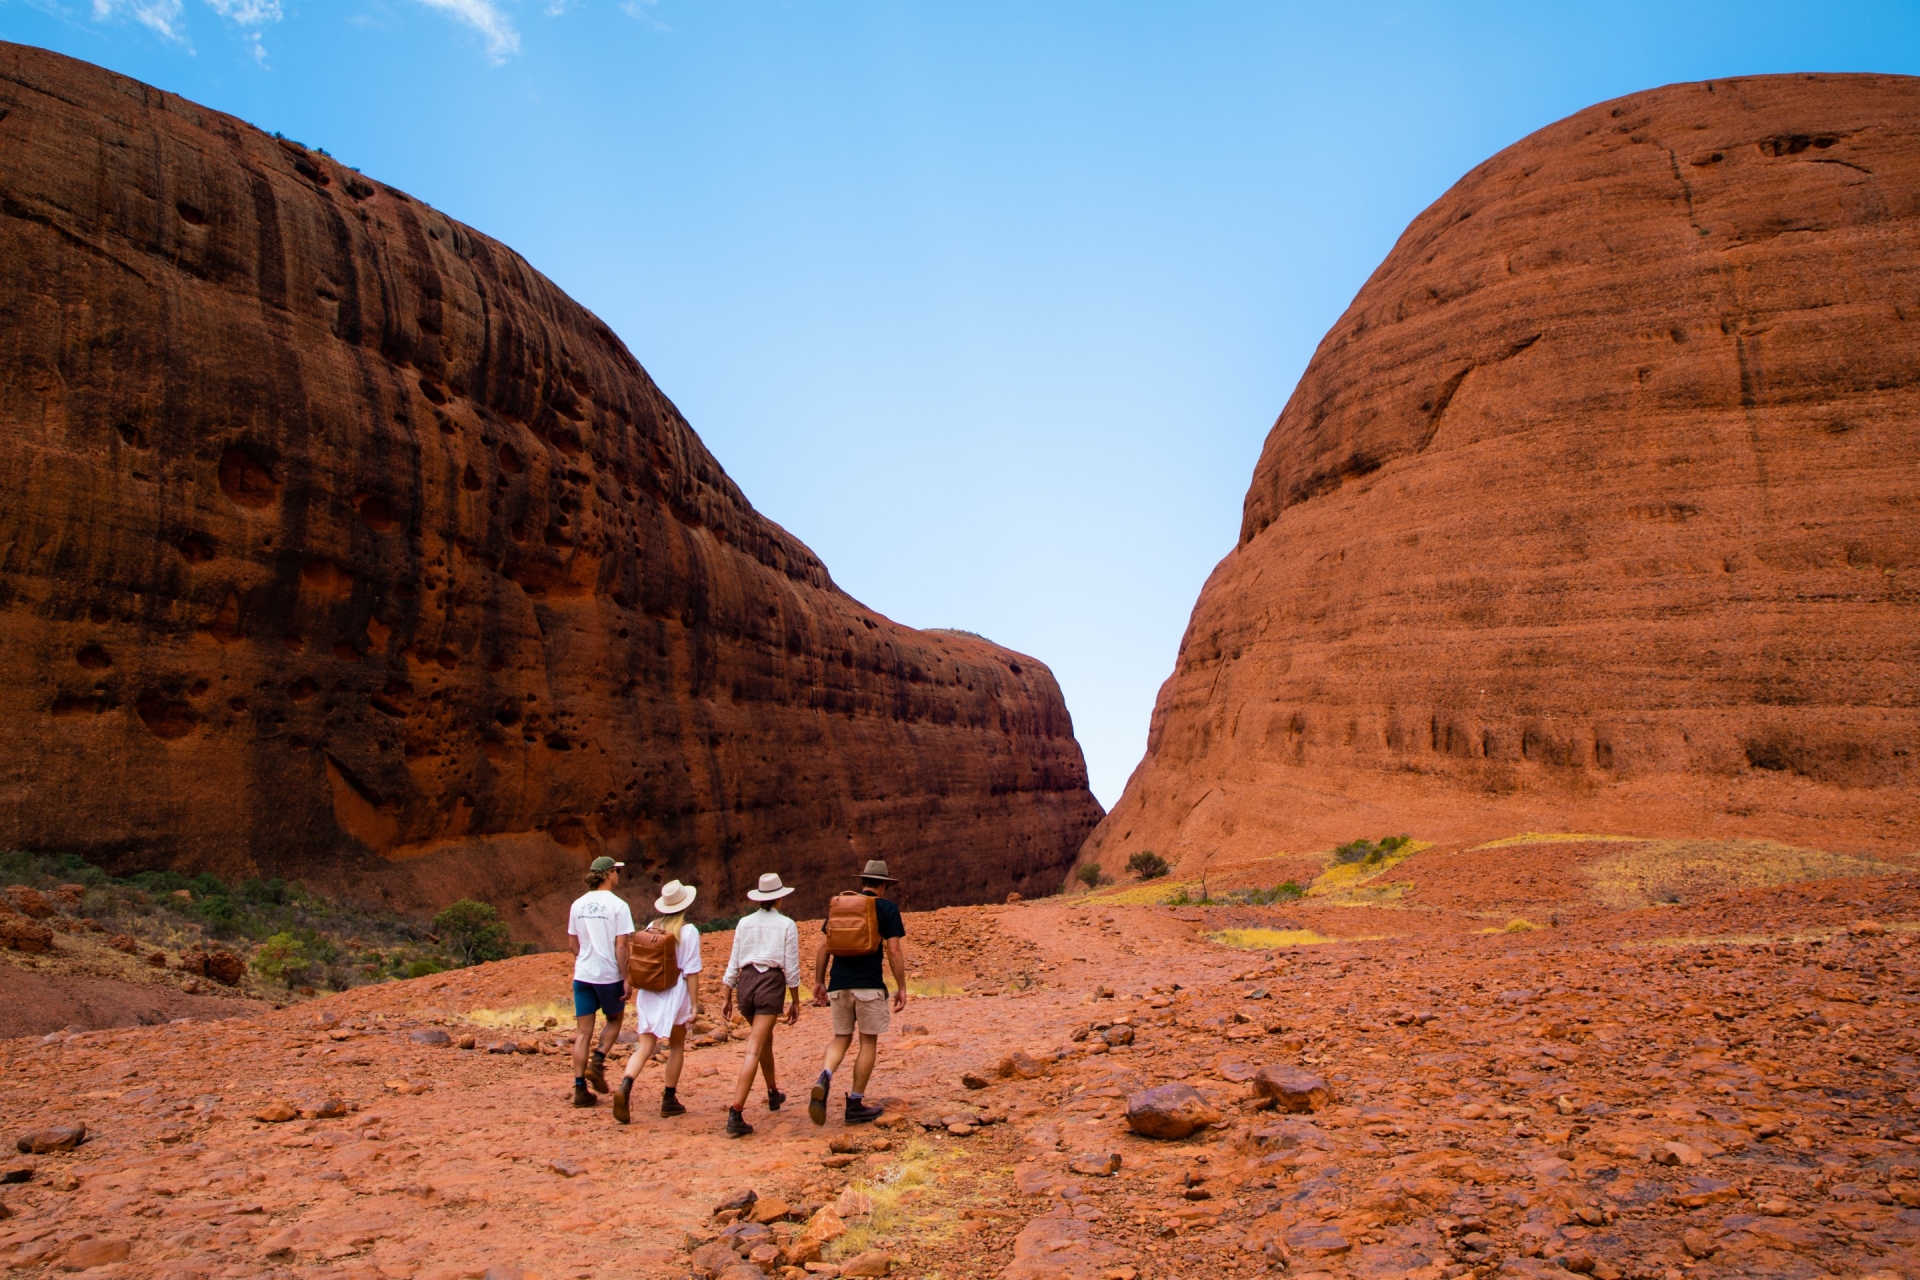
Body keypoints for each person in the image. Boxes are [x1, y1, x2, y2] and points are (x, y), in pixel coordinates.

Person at [809, 859, 908, 1126]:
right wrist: (901, 986)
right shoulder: (887, 908)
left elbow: (824, 947)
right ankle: (854, 1104)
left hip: (838, 984)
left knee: (841, 1037)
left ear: (863, 881)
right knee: (867, 1042)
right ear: (883, 885)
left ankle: (825, 1075)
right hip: (869, 985)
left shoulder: (841, 906)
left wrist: (819, 982)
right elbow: (894, 951)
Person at [613, 879, 703, 1123]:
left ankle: (625, 1085)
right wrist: (694, 1004)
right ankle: (669, 1099)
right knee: (676, 1046)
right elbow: (691, 971)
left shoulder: (652, 927)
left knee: (644, 1046)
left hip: (649, 993)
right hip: (675, 993)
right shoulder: (688, 931)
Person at [719, 873, 802, 1137]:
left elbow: (734, 961)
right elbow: (791, 966)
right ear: (779, 898)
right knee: (754, 1048)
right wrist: (795, 1000)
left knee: (765, 1039)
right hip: (770, 985)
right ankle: (736, 1112)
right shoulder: (787, 924)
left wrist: (726, 995)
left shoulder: (744, 923)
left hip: (745, 986)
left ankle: (773, 1092)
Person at [566, 855, 633, 1108]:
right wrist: (626, 977)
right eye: (616, 870)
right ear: (607, 874)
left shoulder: (577, 904)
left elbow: (573, 945)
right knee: (614, 1019)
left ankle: (580, 1090)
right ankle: (598, 1061)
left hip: (583, 975)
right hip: (608, 976)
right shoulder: (619, 906)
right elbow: (621, 946)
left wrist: (587, 960)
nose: (618, 875)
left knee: (583, 1033)